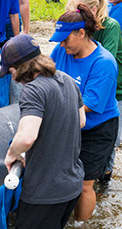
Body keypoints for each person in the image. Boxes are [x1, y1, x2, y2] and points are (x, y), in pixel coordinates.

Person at [0, 34, 85, 228]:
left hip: (44, 193)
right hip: (71, 186)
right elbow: (81, 121)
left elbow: (27, 137)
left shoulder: (33, 90)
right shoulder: (67, 79)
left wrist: (12, 153)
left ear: (18, 68)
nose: (12, 77)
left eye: (10, 71)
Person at [49, 3, 119, 221]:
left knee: (84, 182)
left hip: (97, 128)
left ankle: (82, 224)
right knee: (62, 175)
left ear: (81, 33)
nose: (61, 44)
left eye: (65, 38)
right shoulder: (61, 50)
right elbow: (45, 75)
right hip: (68, 122)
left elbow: (87, 106)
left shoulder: (104, 62)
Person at [66, 0, 122, 184]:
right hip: (82, 102)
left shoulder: (110, 27)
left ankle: (104, 179)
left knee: (105, 150)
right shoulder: (68, 43)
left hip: (111, 92)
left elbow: (107, 61)